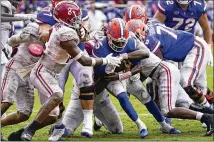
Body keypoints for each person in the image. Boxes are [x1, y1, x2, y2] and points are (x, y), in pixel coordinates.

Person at [9, 1, 121, 141]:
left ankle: (53, 130)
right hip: (42, 72)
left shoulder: (61, 27)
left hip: (52, 72)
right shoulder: (65, 34)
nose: (77, 21)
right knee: (57, 95)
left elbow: (80, 36)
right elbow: (84, 60)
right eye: (73, 19)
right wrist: (106, 60)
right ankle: (29, 131)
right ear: (64, 19)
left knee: (55, 113)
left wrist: (90, 35)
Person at [125, 18, 214, 136]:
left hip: (167, 70)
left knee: (171, 106)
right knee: (181, 103)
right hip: (167, 69)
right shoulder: (147, 33)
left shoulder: (146, 44)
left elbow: (148, 62)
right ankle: (208, 114)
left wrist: (127, 73)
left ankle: (208, 117)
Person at [1, 23, 43, 141]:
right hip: (15, 67)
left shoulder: (58, 35)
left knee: (24, 113)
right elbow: (11, 42)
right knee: (7, 101)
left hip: (28, 74)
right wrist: (21, 38)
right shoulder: (35, 28)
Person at [154, 0, 213, 66]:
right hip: (169, 43)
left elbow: (206, 28)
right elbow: (155, 26)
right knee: (172, 71)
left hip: (188, 43)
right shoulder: (168, 5)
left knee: (192, 70)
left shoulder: (198, 6)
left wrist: (208, 49)